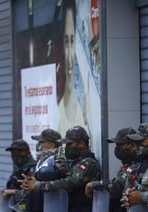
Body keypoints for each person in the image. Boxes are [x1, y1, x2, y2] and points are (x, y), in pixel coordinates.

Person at [57, 0, 87, 135]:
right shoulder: (58, 106)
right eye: (66, 41)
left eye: (73, 40)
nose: (70, 55)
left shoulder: (87, 99)